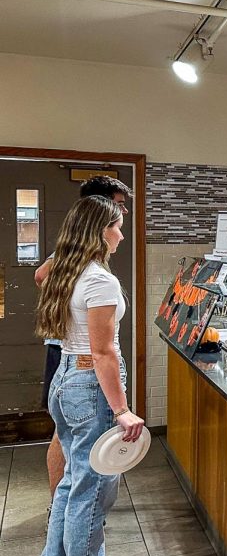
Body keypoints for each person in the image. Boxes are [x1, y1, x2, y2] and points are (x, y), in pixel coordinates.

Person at [35, 195, 144, 556]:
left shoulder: (66, 270)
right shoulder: (100, 280)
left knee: (71, 482)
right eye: (116, 226)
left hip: (63, 379)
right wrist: (122, 410)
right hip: (88, 384)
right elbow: (104, 352)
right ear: (100, 231)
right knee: (94, 486)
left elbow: (40, 274)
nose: (120, 234)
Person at [34, 175, 132, 498]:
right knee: (72, 456)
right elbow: (41, 275)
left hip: (75, 362)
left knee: (74, 460)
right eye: (117, 206)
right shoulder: (78, 254)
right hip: (75, 358)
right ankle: (65, 510)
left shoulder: (87, 261)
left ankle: (65, 511)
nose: (124, 215)